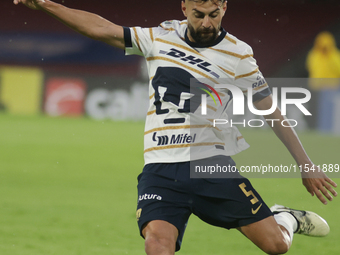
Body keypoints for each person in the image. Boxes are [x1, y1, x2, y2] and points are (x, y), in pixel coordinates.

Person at [14, 0, 338, 254]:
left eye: (214, 14)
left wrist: (305, 163)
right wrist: (46, 4)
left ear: (225, 8)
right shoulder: (159, 37)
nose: (207, 23)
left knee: (276, 246)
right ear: (184, 7)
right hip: (160, 169)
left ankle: (284, 217)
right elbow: (103, 29)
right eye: (198, 14)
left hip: (211, 166)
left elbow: (271, 111)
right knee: (157, 244)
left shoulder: (239, 55)